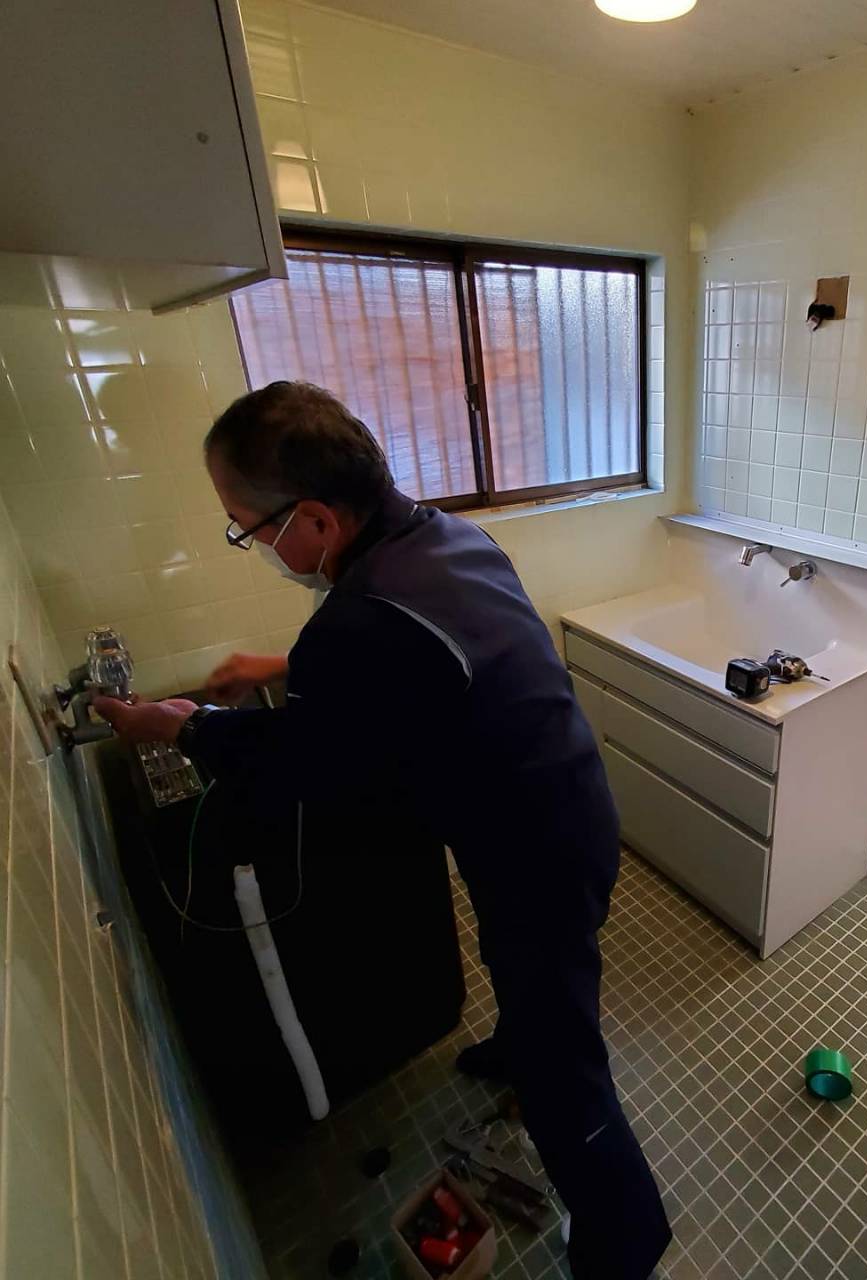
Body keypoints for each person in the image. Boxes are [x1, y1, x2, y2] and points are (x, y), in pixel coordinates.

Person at [95, 381, 671, 1280]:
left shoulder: (358, 621)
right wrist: (284, 663)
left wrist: (180, 726)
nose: (253, 545)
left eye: (246, 529)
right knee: (525, 974)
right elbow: (429, 656)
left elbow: (301, 757)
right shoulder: (447, 535)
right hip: (560, 805)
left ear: (317, 520)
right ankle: (519, 1041)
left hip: (536, 852)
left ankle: (629, 1242)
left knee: (565, 1070)